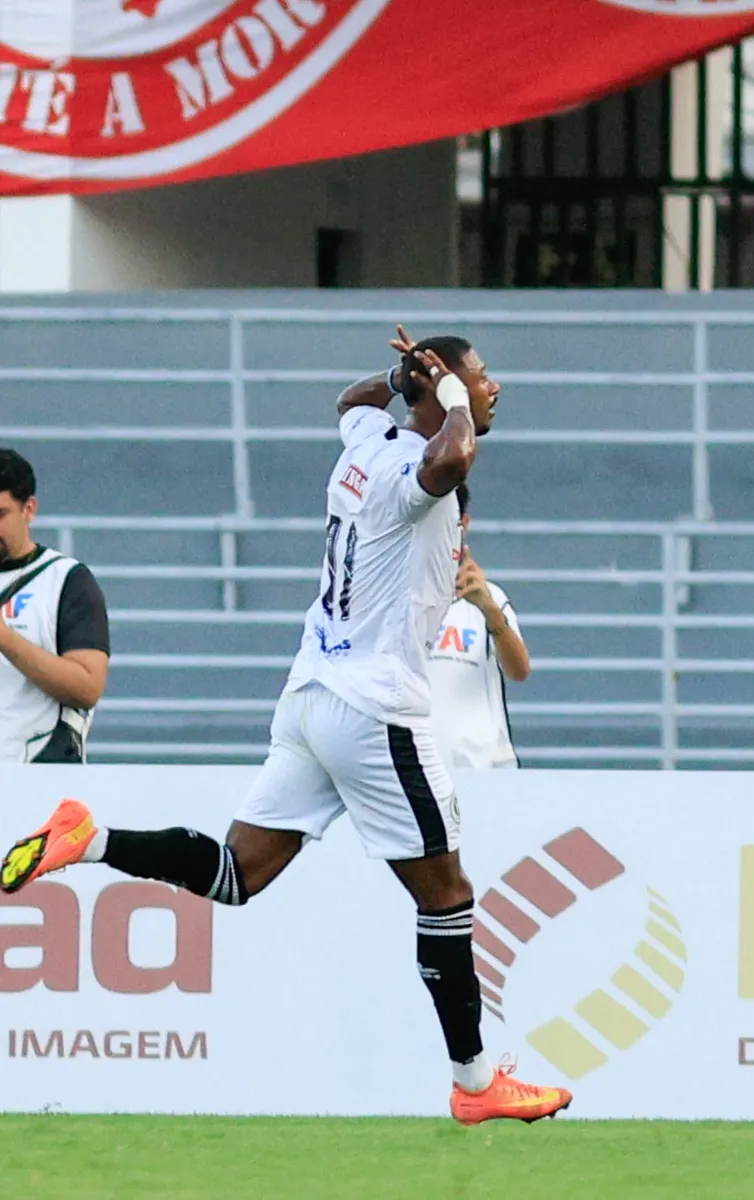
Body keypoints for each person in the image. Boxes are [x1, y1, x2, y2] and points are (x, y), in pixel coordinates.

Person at [0, 330, 571, 1126]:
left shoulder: (367, 439)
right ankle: (476, 1085)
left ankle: (90, 838)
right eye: (481, 377)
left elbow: (351, 402)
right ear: (442, 393)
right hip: (376, 708)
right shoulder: (416, 468)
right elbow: (454, 460)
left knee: (239, 873)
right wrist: (442, 392)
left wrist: (404, 377)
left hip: (311, 689)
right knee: (446, 897)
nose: (492, 387)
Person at [0, 449, 109, 763]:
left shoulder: (66, 581)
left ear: (28, 509)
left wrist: (5, 638)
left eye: (0, 515)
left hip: (41, 775)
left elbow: (87, 688)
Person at [429, 483, 529, 773]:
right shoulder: (393, 599)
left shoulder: (492, 599)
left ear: (464, 525)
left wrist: (488, 610)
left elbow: (519, 671)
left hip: (481, 772)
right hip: (415, 772)